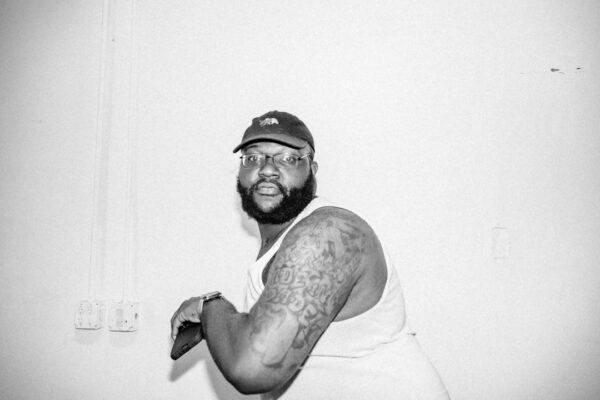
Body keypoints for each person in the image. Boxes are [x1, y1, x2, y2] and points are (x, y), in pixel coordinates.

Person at [171, 111, 450, 399]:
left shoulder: (327, 234)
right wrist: (222, 327)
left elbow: (252, 368)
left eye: (287, 158)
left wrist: (209, 307)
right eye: (253, 157)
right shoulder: (283, 240)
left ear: (312, 170)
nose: (267, 169)